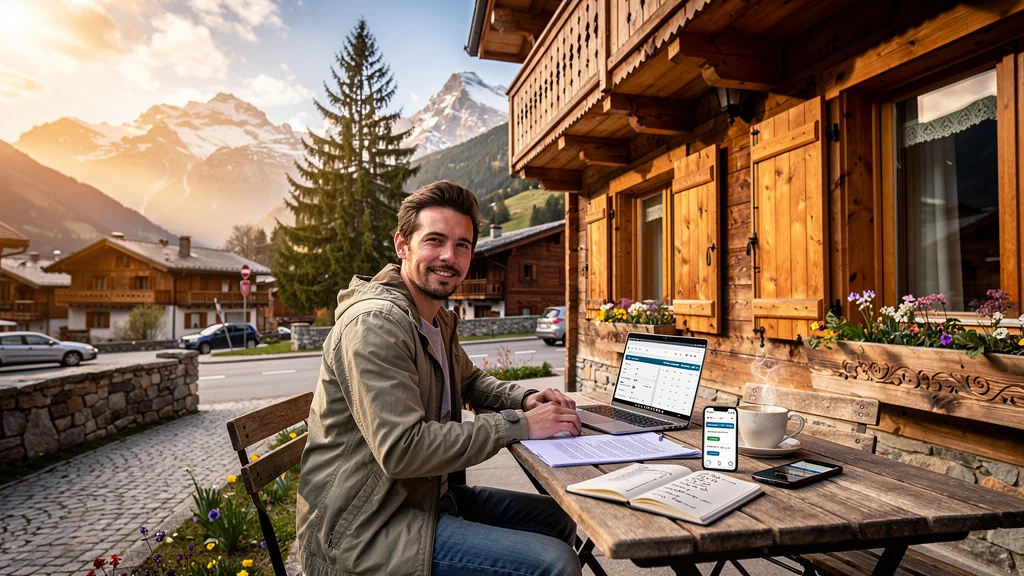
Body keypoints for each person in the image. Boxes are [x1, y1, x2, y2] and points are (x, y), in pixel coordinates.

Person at [296, 181, 584, 576]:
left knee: (558, 518)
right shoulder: (376, 325)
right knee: (555, 563)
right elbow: (403, 449)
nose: (449, 256)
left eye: (462, 244)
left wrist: (526, 399)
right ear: (403, 245)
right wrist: (519, 426)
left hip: (423, 498)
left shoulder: (434, 319)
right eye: (435, 240)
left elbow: (470, 383)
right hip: (366, 528)